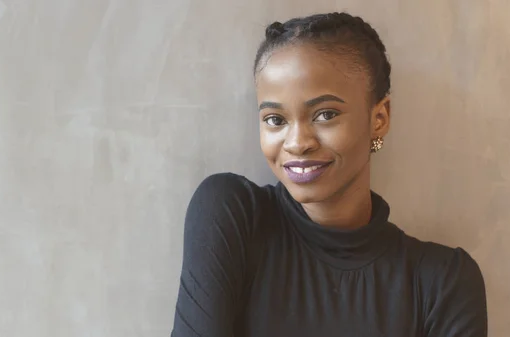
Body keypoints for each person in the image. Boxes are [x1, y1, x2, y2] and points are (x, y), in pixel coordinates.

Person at [171, 12, 487, 337]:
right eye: (275, 119)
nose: (297, 144)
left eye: (325, 114)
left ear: (379, 118)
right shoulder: (231, 215)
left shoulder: (442, 282)